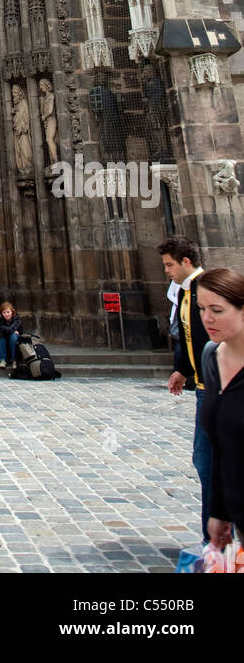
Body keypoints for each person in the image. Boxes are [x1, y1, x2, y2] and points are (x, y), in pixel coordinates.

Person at [159, 235, 212, 543]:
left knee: (211, 462)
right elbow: (186, 334)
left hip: (221, 388)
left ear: (185, 261)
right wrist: (182, 368)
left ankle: (217, 540)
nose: (166, 271)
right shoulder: (184, 293)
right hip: (204, 386)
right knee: (206, 461)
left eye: (169, 265)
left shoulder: (210, 290)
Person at [197, 268, 244, 550]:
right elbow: (219, 448)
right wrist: (218, 512)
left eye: (217, 310)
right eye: (202, 309)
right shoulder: (211, 358)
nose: (206, 318)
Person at [0, 301, 23, 369]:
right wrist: (10, 331)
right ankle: (2, 360)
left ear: (12, 312)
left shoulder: (17, 319)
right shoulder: (0, 321)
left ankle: (14, 360)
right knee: (0, 337)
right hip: (4, 345)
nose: (6, 314)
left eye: (8, 312)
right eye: (4, 312)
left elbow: (11, 329)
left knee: (13, 336)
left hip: (14, 344)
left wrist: (3, 329)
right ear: (1, 313)